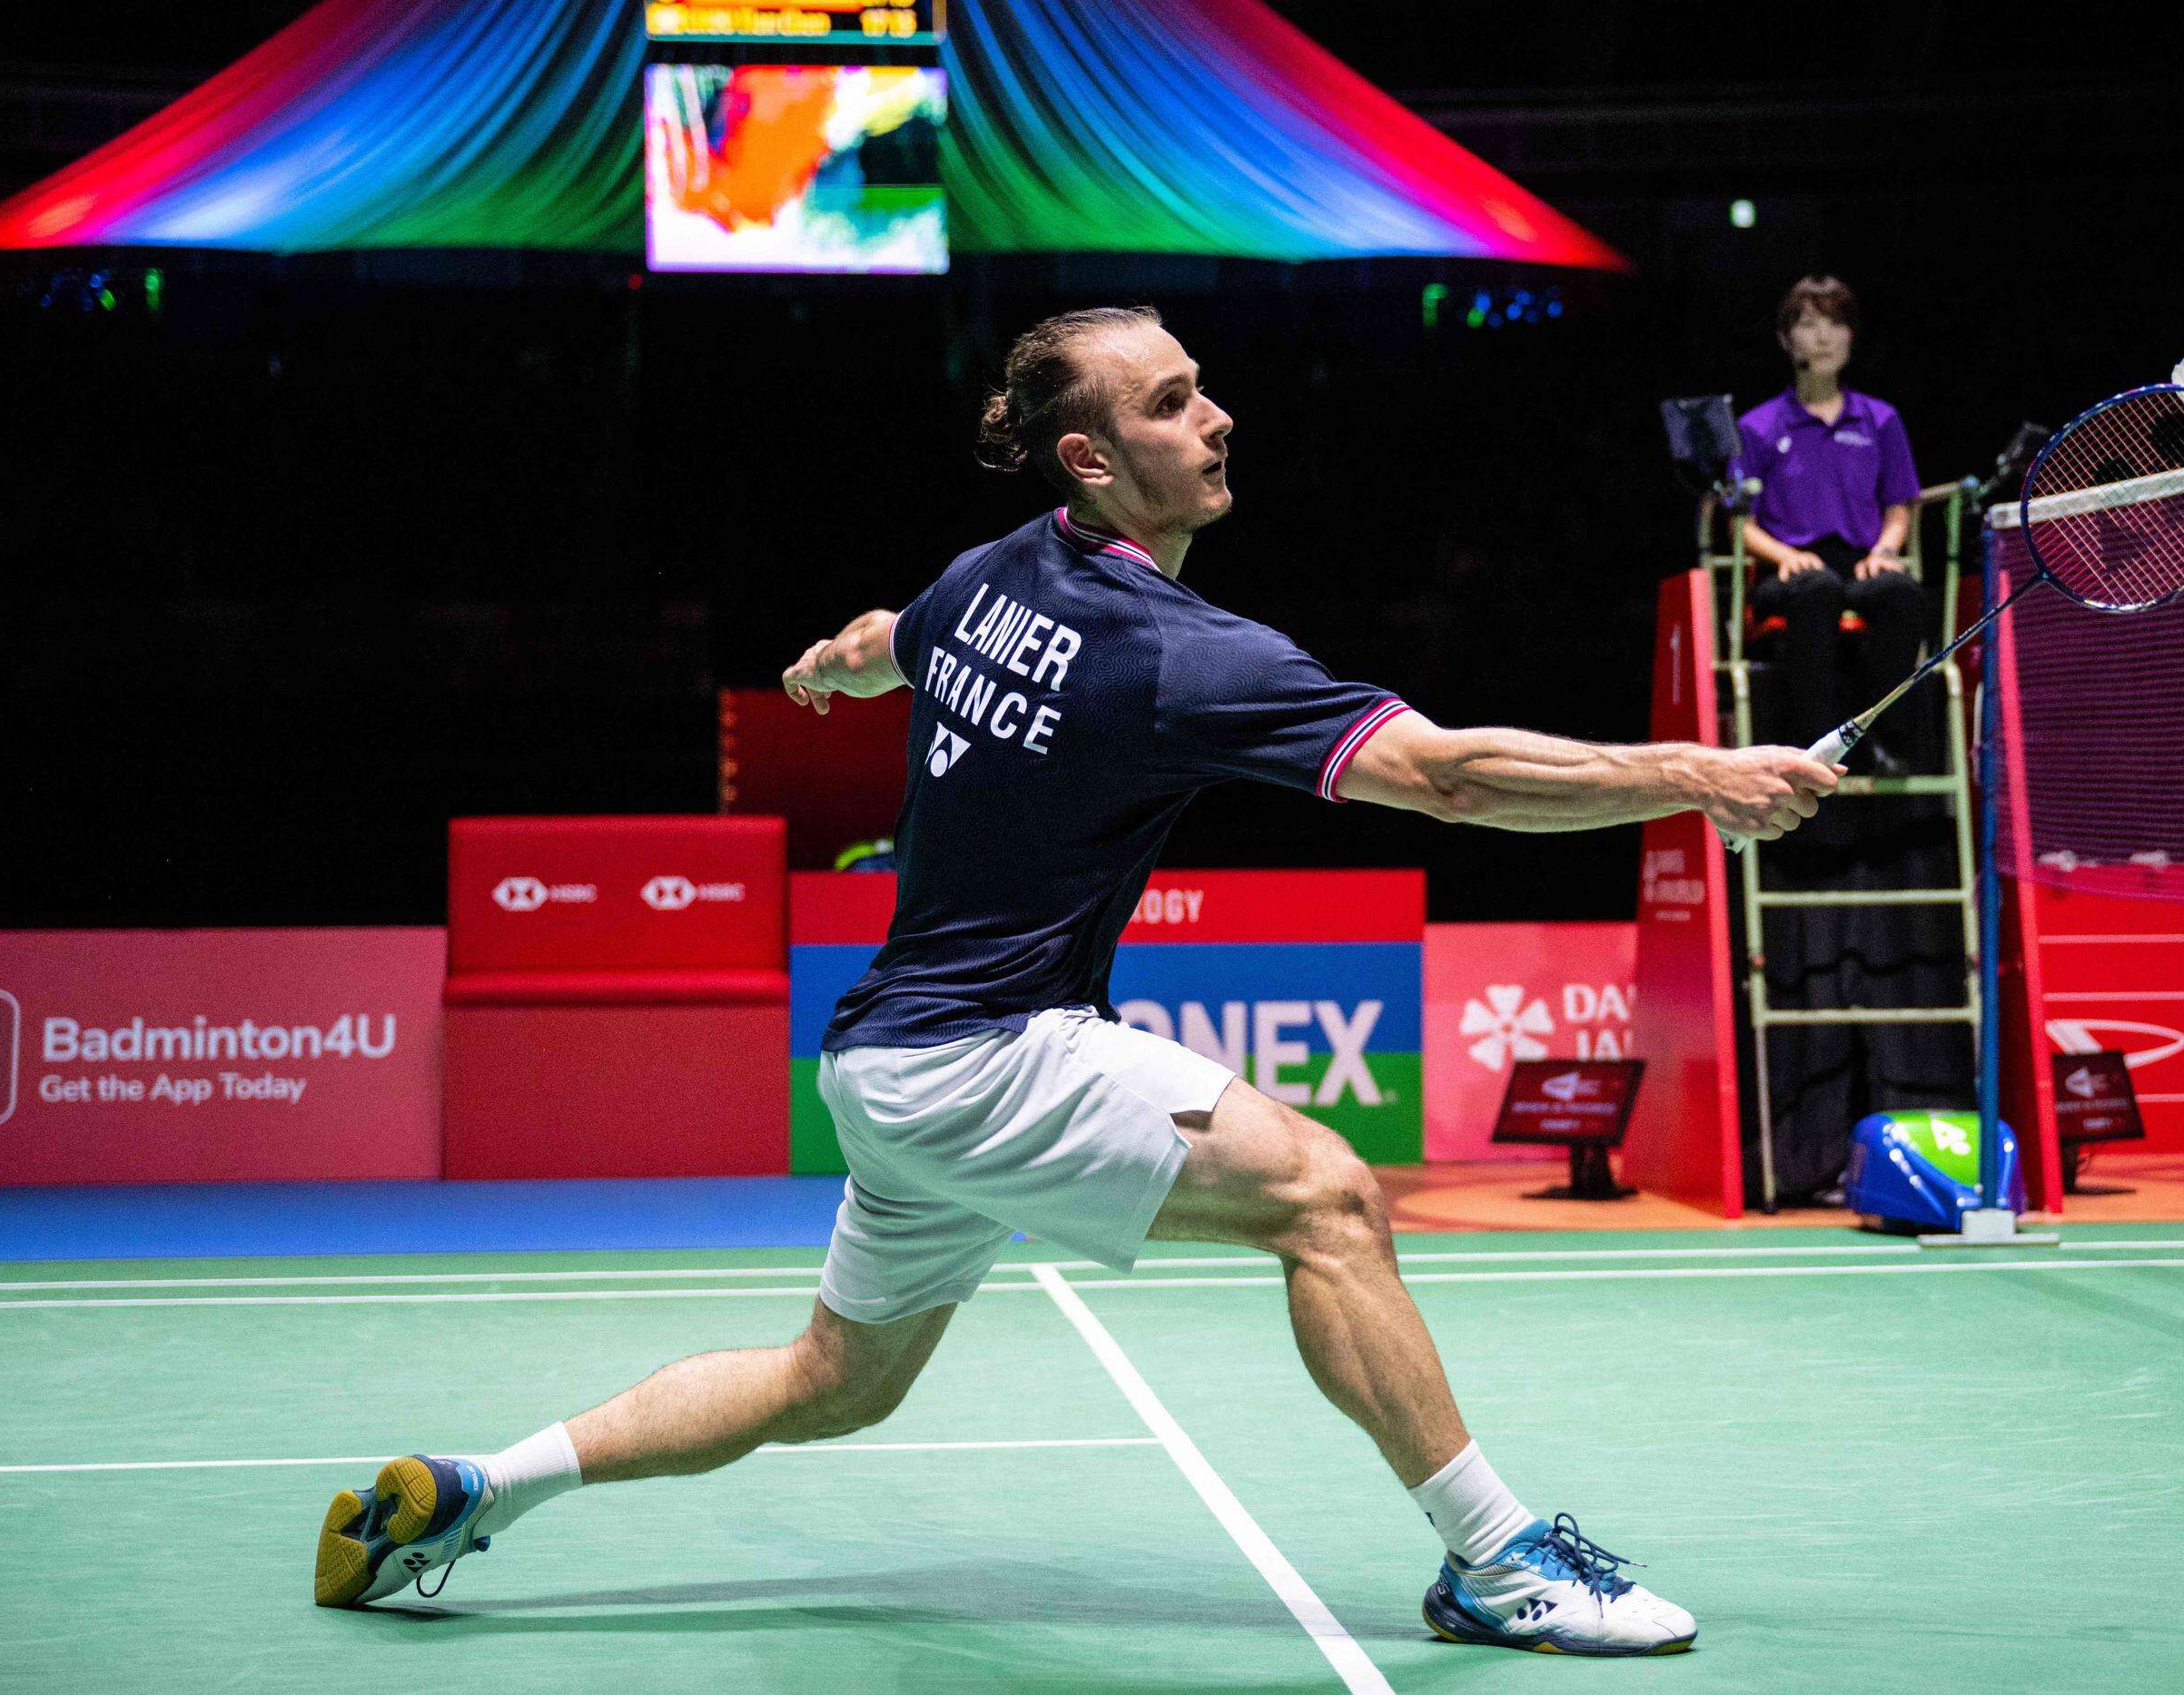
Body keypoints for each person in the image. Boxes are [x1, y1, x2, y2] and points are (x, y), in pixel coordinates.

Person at [310, 305, 1839, 1658]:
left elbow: (882, 641)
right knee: (1327, 1197)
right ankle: (1501, 1564)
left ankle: (476, 1488)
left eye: (1201, 387)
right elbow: (1447, 776)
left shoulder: (987, 576)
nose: (1216, 414)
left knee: (833, 1382)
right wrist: (1700, 773)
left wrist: (834, 670)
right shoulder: (1176, 653)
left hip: (885, 1066)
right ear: (1090, 459)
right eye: (1171, 403)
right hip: (986, 1049)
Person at [1732, 275, 1930, 765]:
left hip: (1860, 560)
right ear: (1785, 339)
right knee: (1816, 589)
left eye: (1834, 324)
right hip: (1788, 569)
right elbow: (1740, 523)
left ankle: (1887, 739)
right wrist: (1785, 555)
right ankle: (1815, 744)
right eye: (1807, 324)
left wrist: (1885, 550)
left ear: (1851, 337)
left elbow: (1899, 506)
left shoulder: (1880, 420)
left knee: (1901, 594)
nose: (1822, 337)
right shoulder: (1757, 427)